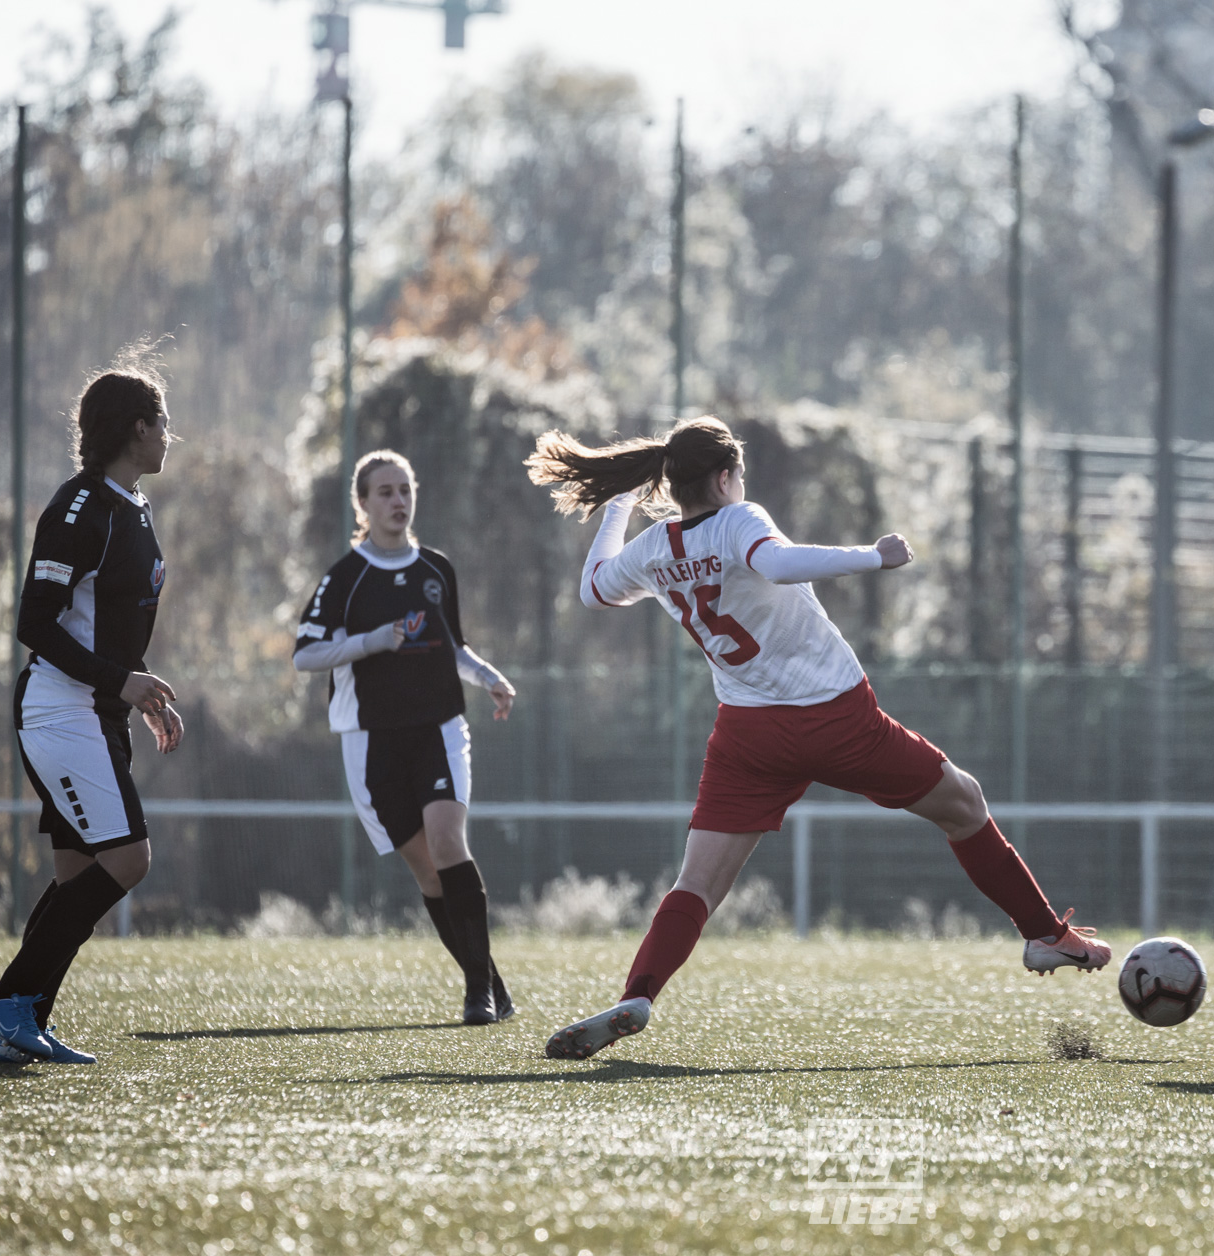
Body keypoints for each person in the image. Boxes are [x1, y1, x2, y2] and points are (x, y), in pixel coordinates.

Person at [525, 415, 1111, 1060]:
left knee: (697, 884)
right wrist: (875, 555)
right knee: (965, 804)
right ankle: (1043, 934)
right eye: (739, 474)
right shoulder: (739, 520)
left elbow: (593, 591)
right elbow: (777, 564)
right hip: (837, 722)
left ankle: (638, 994)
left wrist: (618, 506)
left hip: (747, 737)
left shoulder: (654, 548)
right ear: (725, 477)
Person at [0, 363, 183, 1065]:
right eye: (163, 423)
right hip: (63, 712)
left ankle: (23, 1022)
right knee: (129, 858)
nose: (169, 436)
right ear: (138, 429)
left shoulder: (132, 504)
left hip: (99, 711)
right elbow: (34, 622)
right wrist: (120, 682)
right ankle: (10, 997)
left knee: (75, 876)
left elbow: (111, 625)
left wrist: (136, 693)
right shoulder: (79, 509)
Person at [292, 450, 519, 1025]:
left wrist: (489, 677)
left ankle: (476, 993)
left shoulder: (436, 569)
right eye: (385, 492)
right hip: (371, 741)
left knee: (447, 842)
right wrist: (372, 641)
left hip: (439, 729)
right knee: (427, 870)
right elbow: (306, 654)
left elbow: (453, 646)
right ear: (362, 504)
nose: (398, 501)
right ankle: (491, 981)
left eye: (405, 490)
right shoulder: (346, 577)